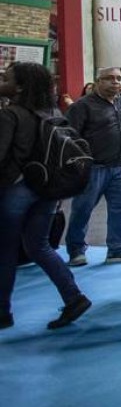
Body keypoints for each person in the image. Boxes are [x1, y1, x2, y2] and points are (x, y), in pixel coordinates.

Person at [0, 62, 92, 331]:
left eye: (5, 78)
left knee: (5, 250)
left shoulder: (11, 115)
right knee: (38, 245)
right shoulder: (51, 111)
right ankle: (73, 296)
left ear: (18, 87)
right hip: (48, 188)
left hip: (16, 189)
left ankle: (2, 311)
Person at [64, 66, 121, 265]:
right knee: (82, 209)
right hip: (92, 169)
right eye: (109, 78)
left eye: (118, 78)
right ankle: (76, 251)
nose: (115, 82)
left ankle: (118, 250)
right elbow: (69, 138)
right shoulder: (82, 106)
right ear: (98, 81)